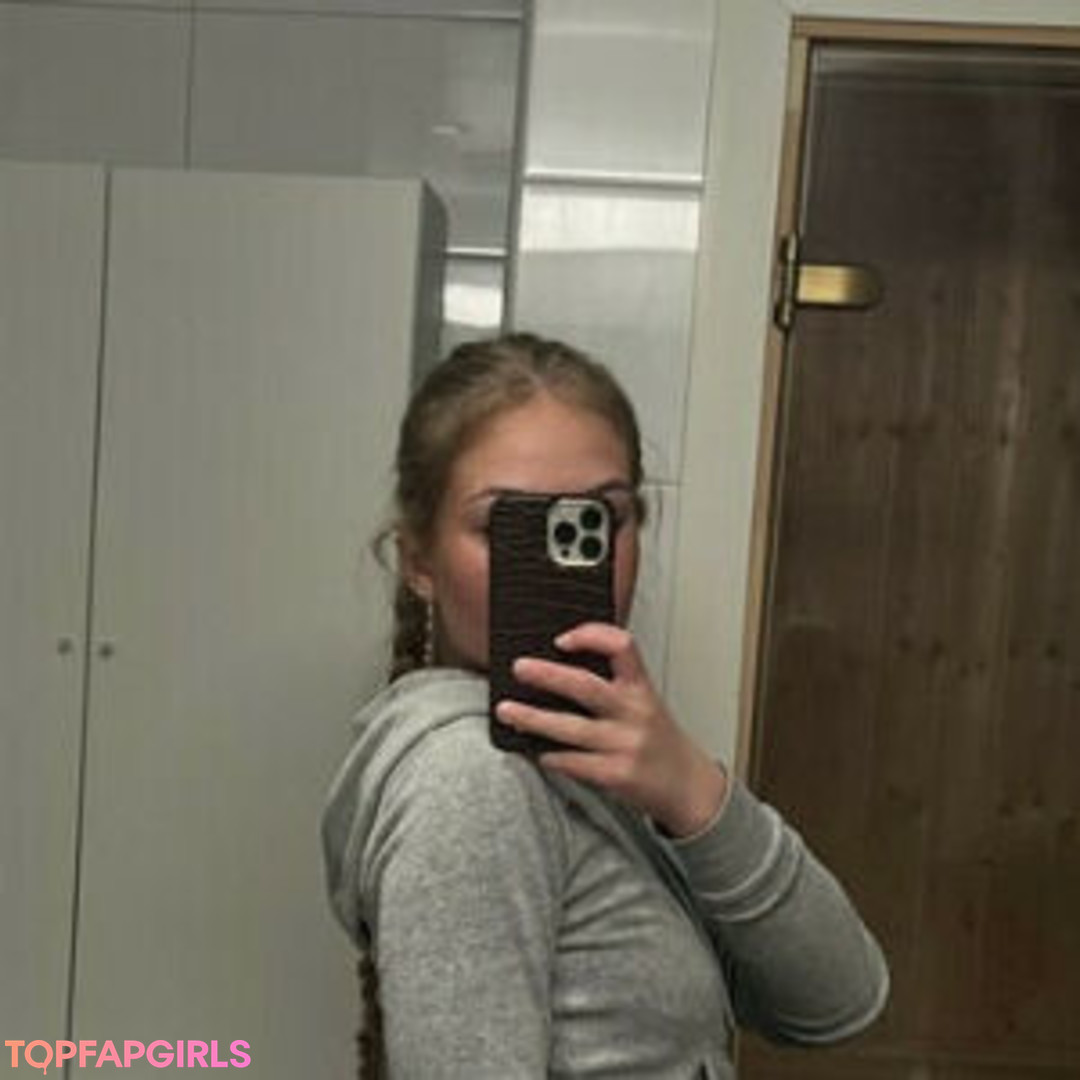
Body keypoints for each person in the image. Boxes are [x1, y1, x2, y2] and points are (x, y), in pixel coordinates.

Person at [321, 333, 889, 1079]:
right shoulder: (472, 781)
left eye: (597, 521)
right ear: (419, 561)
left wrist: (694, 792)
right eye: (505, 526)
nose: (556, 561)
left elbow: (835, 999)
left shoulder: (595, 769)